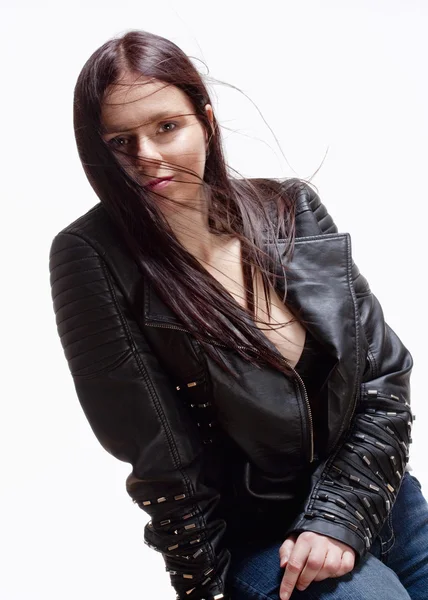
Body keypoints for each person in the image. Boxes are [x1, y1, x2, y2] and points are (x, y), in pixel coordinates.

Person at [48, 29, 428, 600]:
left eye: (165, 127)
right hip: (260, 542)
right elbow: (164, 461)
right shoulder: (94, 256)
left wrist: (337, 518)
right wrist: (207, 590)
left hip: (380, 497)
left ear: (205, 118)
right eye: (121, 142)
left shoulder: (289, 209)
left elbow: (381, 377)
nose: (147, 155)